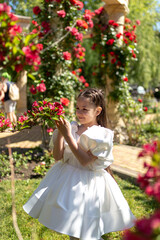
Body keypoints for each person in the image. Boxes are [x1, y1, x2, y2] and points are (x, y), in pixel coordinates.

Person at [23, 88, 136, 240]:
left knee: (88, 230)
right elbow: (58, 156)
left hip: (89, 184)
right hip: (67, 180)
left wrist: (68, 136)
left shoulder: (100, 135)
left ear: (97, 111)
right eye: (77, 108)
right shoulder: (72, 127)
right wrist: (61, 135)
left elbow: (84, 161)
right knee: (73, 228)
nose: (79, 112)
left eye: (85, 109)